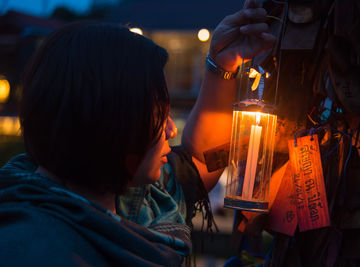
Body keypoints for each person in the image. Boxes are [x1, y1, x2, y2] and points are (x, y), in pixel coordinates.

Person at [0, 0, 274, 265]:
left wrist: (222, 65)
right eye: (158, 115)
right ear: (110, 119)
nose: (171, 128)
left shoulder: (138, 197)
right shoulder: (32, 251)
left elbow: (200, 162)